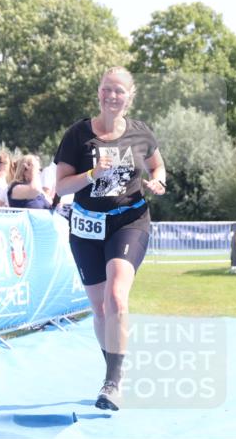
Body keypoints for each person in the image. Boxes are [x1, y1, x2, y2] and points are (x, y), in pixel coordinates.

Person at [54, 66, 167, 411]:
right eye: (107, 89)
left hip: (128, 221)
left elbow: (158, 168)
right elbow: (61, 186)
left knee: (117, 297)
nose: (112, 96)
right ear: (99, 92)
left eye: (120, 90)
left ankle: (112, 382)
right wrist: (91, 174)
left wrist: (158, 182)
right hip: (87, 226)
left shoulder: (140, 133)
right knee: (100, 308)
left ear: (130, 97)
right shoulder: (77, 135)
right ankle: (113, 368)